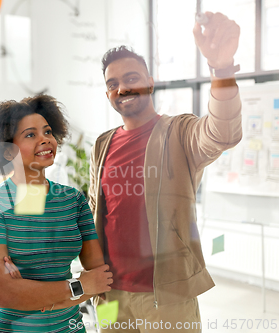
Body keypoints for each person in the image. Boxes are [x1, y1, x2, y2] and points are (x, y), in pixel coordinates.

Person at [89, 12, 242, 332]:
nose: (122, 88)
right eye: (112, 84)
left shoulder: (179, 132)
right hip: (110, 297)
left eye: (131, 78)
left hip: (167, 296)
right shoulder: (102, 144)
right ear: (107, 94)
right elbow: (96, 212)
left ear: (149, 83)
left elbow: (222, 133)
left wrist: (222, 70)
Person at [0, 95, 113, 333]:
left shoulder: (73, 200)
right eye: (31, 135)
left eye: (48, 132)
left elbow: (100, 280)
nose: (45, 140)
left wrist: (32, 293)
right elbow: (5, 294)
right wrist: (78, 286)